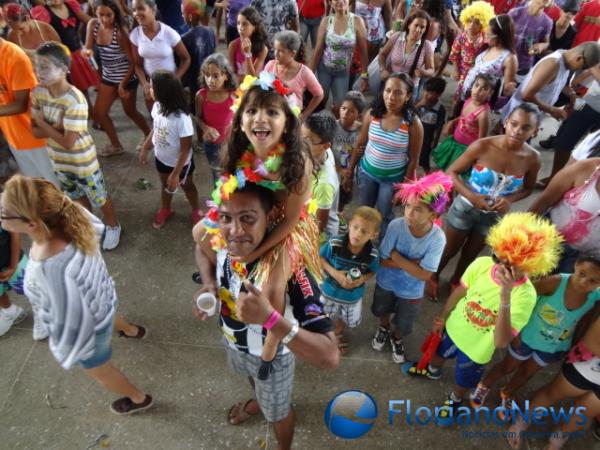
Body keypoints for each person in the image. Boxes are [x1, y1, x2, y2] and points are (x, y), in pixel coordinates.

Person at [192, 182, 338, 450]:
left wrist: (270, 319)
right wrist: (208, 282)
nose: (235, 231)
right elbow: (200, 242)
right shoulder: (225, 242)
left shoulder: (293, 273)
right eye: (225, 217)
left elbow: (329, 356)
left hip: (273, 360)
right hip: (235, 342)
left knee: (279, 413)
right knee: (254, 382)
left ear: (270, 217)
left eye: (248, 218)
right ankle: (259, 399)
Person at [1, 175, 153, 415]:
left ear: (31, 224)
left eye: (4, 211)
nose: (1, 210)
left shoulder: (46, 268)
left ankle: (138, 398)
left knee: (101, 372)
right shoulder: (72, 212)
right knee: (108, 313)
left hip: (89, 325)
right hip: (101, 293)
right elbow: (99, 229)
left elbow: (69, 320)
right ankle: (133, 330)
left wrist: (69, 351)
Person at [404, 212, 563, 422]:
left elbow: (500, 341)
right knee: (439, 353)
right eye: (498, 257)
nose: (499, 268)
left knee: (464, 379)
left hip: (477, 350)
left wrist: (506, 295)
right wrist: (442, 317)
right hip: (453, 328)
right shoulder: (482, 265)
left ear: (528, 266)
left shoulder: (525, 296)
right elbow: (460, 291)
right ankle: (433, 369)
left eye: (510, 265)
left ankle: (455, 398)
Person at [431, 103, 542, 300]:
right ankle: (433, 277)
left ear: (535, 130)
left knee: (470, 254)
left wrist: (509, 200)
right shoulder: (483, 145)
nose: (518, 131)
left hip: (494, 217)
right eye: (514, 124)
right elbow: (451, 173)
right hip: (465, 207)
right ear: (506, 122)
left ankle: (457, 281)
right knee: (449, 249)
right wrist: (472, 197)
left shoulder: (533, 158)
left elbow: (528, 188)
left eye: (526, 127)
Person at [471, 254, 600, 413]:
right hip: (526, 338)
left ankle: (507, 392)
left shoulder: (595, 295)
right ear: (576, 265)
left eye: (593, 281)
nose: (584, 282)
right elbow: (522, 297)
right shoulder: (555, 282)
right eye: (582, 274)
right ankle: (485, 385)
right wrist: (515, 333)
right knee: (506, 367)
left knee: (527, 373)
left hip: (553, 347)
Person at [31, 42, 122, 250]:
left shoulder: (75, 99)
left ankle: (113, 225)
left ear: (63, 69)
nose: (38, 72)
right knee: (76, 197)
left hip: (82, 161)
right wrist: (56, 126)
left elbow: (68, 142)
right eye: (37, 66)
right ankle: (91, 225)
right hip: (59, 161)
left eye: (45, 67)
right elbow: (33, 132)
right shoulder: (38, 93)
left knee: (99, 196)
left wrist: (43, 122)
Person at [371, 171, 450, 364]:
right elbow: (381, 259)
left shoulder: (438, 238)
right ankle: (383, 327)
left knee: (405, 320)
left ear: (433, 214)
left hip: (412, 291)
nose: (408, 213)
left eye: (418, 210)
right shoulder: (396, 226)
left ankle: (396, 337)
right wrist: (413, 264)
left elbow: (424, 275)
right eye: (407, 206)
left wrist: (396, 256)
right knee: (382, 309)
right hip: (386, 282)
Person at [344, 73, 424, 237]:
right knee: (363, 211)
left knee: (385, 215)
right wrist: (350, 170)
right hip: (367, 174)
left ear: (408, 96)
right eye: (387, 91)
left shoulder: (412, 123)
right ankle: (358, 241)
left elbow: (414, 160)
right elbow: (360, 144)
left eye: (398, 93)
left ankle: (383, 247)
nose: (391, 97)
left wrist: (404, 190)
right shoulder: (373, 114)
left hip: (392, 180)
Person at [507, 313, 600, 450]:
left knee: (585, 413)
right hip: (586, 366)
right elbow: (590, 340)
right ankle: (522, 422)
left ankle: (556, 441)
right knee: (552, 394)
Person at [84, 0, 151, 157]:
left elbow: (133, 63)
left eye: (109, 15)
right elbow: (87, 48)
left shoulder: (120, 32)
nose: (105, 19)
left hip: (126, 76)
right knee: (98, 113)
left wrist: (123, 84)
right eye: (101, 15)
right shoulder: (93, 25)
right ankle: (116, 145)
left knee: (130, 111)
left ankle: (149, 135)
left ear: (115, 14)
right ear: (95, 13)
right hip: (108, 76)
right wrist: (88, 54)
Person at [138, 70, 202, 229]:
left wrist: (175, 173)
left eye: (152, 87)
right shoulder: (157, 107)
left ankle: (196, 210)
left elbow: (185, 149)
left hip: (181, 164)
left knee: (188, 186)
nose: (148, 90)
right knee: (165, 186)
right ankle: (165, 209)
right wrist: (146, 147)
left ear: (163, 92)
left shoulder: (182, 119)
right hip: (161, 159)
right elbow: (156, 128)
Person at [320, 206, 380, 353]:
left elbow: (372, 271)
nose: (358, 234)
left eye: (364, 231)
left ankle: (338, 332)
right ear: (349, 225)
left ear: (373, 235)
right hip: (328, 291)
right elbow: (320, 258)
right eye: (355, 227)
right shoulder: (335, 243)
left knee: (346, 317)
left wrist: (361, 280)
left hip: (351, 297)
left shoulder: (372, 255)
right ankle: (325, 334)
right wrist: (335, 273)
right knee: (324, 313)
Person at [0, 37, 57, 184]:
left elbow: (20, 105)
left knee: (56, 187)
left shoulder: (14, 57)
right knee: (38, 188)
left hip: (36, 137)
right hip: (15, 136)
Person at [529, 157, 600, 273]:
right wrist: (515, 235)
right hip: (547, 244)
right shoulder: (586, 168)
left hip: (589, 265)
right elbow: (544, 201)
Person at [501, 42, 600, 123]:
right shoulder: (552, 65)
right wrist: (552, 110)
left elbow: (556, 84)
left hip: (530, 116)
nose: (580, 70)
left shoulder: (566, 62)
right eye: (583, 67)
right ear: (579, 58)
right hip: (517, 117)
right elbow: (527, 95)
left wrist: (572, 94)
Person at [541, 63, 600, 183]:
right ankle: (554, 177)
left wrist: (593, 70)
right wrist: (581, 78)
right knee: (564, 139)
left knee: (595, 152)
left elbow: (594, 67)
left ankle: (583, 184)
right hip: (590, 102)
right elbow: (595, 66)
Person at [129, 0, 191, 111]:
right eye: (134, 10)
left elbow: (186, 59)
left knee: (174, 116)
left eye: (141, 9)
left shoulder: (168, 33)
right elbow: (137, 65)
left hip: (171, 83)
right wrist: (145, 85)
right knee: (156, 118)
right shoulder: (135, 35)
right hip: (151, 84)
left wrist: (176, 79)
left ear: (153, 10)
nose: (136, 13)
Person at [309, 0, 368, 111]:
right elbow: (318, 49)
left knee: (339, 107)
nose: (340, 1)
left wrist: (364, 75)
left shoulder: (357, 21)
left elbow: (364, 51)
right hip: (324, 68)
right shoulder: (326, 21)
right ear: (331, 3)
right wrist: (309, 73)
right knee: (321, 99)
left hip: (343, 72)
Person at [432, 73, 492, 172]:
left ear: (490, 93)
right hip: (453, 144)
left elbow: (481, 141)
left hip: (465, 151)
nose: (478, 91)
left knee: (453, 175)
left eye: (484, 89)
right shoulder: (469, 100)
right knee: (443, 169)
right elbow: (464, 117)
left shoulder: (483, 115)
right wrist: (452, 122)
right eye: (476, 85)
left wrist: (474, 158)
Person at [264, 30, 324, 121]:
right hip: (270, 115)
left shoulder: (304, 73)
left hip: (291, 119)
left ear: (292, 53)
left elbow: (319, 94)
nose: (276, 54)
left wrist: (304, 115)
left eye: (281, 51)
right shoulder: (270, 65)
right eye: (275, 49)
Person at [373, 10, 434, 96]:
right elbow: (382, 54)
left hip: (409, 89)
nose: (418, 30)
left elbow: (431, 70)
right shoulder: (396, 37)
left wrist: (424, 72)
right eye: (416, 25)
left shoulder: (427, 46)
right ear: (409, 25)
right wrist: (383, 69)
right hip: (391, 84)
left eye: (422, 27)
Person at [448, 1, 494, 116]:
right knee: (459, 93)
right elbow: (454, 54)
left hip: (478, 71)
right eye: (469, 21)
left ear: (483, 25)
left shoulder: (485, 39)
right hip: (464, 70)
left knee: (474, 94)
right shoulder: (461, 37)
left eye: (476, 23)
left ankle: (469, 114)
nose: (472, 25)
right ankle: (454, 114)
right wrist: (455, 69)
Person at [196, 53, 236, 183]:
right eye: (207, 75)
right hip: (211, 145)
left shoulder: (234, 95)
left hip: (231, 143)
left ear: (226, 76)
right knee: (217, 176)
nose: (210, 80)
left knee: (233, 174)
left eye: (215, 76)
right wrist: (205, 128)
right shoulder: (201, 95)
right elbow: (197, 117)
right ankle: (219, 201)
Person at [460, 14, 517, 105]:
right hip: (465, 94)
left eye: (489, 34)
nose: (485, 36)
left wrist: (509, 91)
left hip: (479, 104)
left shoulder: (509, 58)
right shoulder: (489, 46)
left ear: (500, 37)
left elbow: (505, 91)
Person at [302, 111, 340, 240]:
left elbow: (320, 225)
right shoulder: (324, 151)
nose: (302, 143)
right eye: (301, 136)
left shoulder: (323, 184)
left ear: (325, 145)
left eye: (309, 141)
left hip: (319, 234)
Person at [332, 91, 365, 213]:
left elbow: (361, 154)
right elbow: (326, 153)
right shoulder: (332, 127)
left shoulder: (362, 131)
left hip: (350, 173)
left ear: (359, 115)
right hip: (333, 168)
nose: (345, 113)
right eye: (343, 108)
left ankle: (339, 213)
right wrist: (339, 170)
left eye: (351, 111)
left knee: (343, 197)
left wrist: (349, 173)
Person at [180, 0, 216, 107]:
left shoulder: (185, 38)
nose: (182, 17)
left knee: (195, 106)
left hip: (194, 81)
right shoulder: (210, 31)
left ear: (190, 16)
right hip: (209, 77)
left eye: (183, 14)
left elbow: (183, 61)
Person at [508, 0, 552, 78]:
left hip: (523, 67)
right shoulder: (515, 12)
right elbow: (500, 32)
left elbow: (546, 43)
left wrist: (541, 46)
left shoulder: (547, 22)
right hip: (505, 60)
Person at [227, 6, 268, 83]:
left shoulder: (262, 49)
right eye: (238, 23)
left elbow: (252, 77)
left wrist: (247, 54)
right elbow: (231, 74)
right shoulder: (233, 45)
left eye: (245, 24)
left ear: (254, 27)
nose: (240, 28)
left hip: (254, 89)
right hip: (237, 86)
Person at [0, 226, 28, 337]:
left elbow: (14, 231)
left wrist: (13, 265)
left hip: (11, 261)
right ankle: (10, 312)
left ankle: (44, 313)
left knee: (29, 288)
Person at [415, 76, 446, 172]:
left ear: (439, 94)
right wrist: (419, 105)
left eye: (432, 93)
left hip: (427, 139)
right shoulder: (418, 102)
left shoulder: (440, 109)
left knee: (424, 158)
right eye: (426, 91)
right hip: (414, 135)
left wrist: (435, 141)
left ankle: (427, 172)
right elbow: (409, 114)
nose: (427, 95)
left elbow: (439, 126)